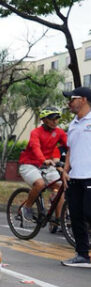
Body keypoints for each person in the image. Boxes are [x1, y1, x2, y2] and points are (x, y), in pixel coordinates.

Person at [18, 106, 67, 223]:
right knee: (39, 184)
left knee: (61, 186)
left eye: (57, 119)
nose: (55, 121)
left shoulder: (59, 132)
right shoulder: (35, 132)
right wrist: (43, 159)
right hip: (29, 164)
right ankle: (27, 207)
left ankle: (58, 220)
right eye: (52, 119)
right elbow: (36, 148)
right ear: (44, 120)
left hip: (46, 166)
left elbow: (70, 145)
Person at [61, 87, 91, 267]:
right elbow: (71, 149)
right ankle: (82, 255)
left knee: (89, 213)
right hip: (75, 177)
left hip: (90, 177)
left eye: (72, 99)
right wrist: (65, 170)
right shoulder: (73, 124)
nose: (69, 102)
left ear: (84, 100)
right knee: (77, 216)